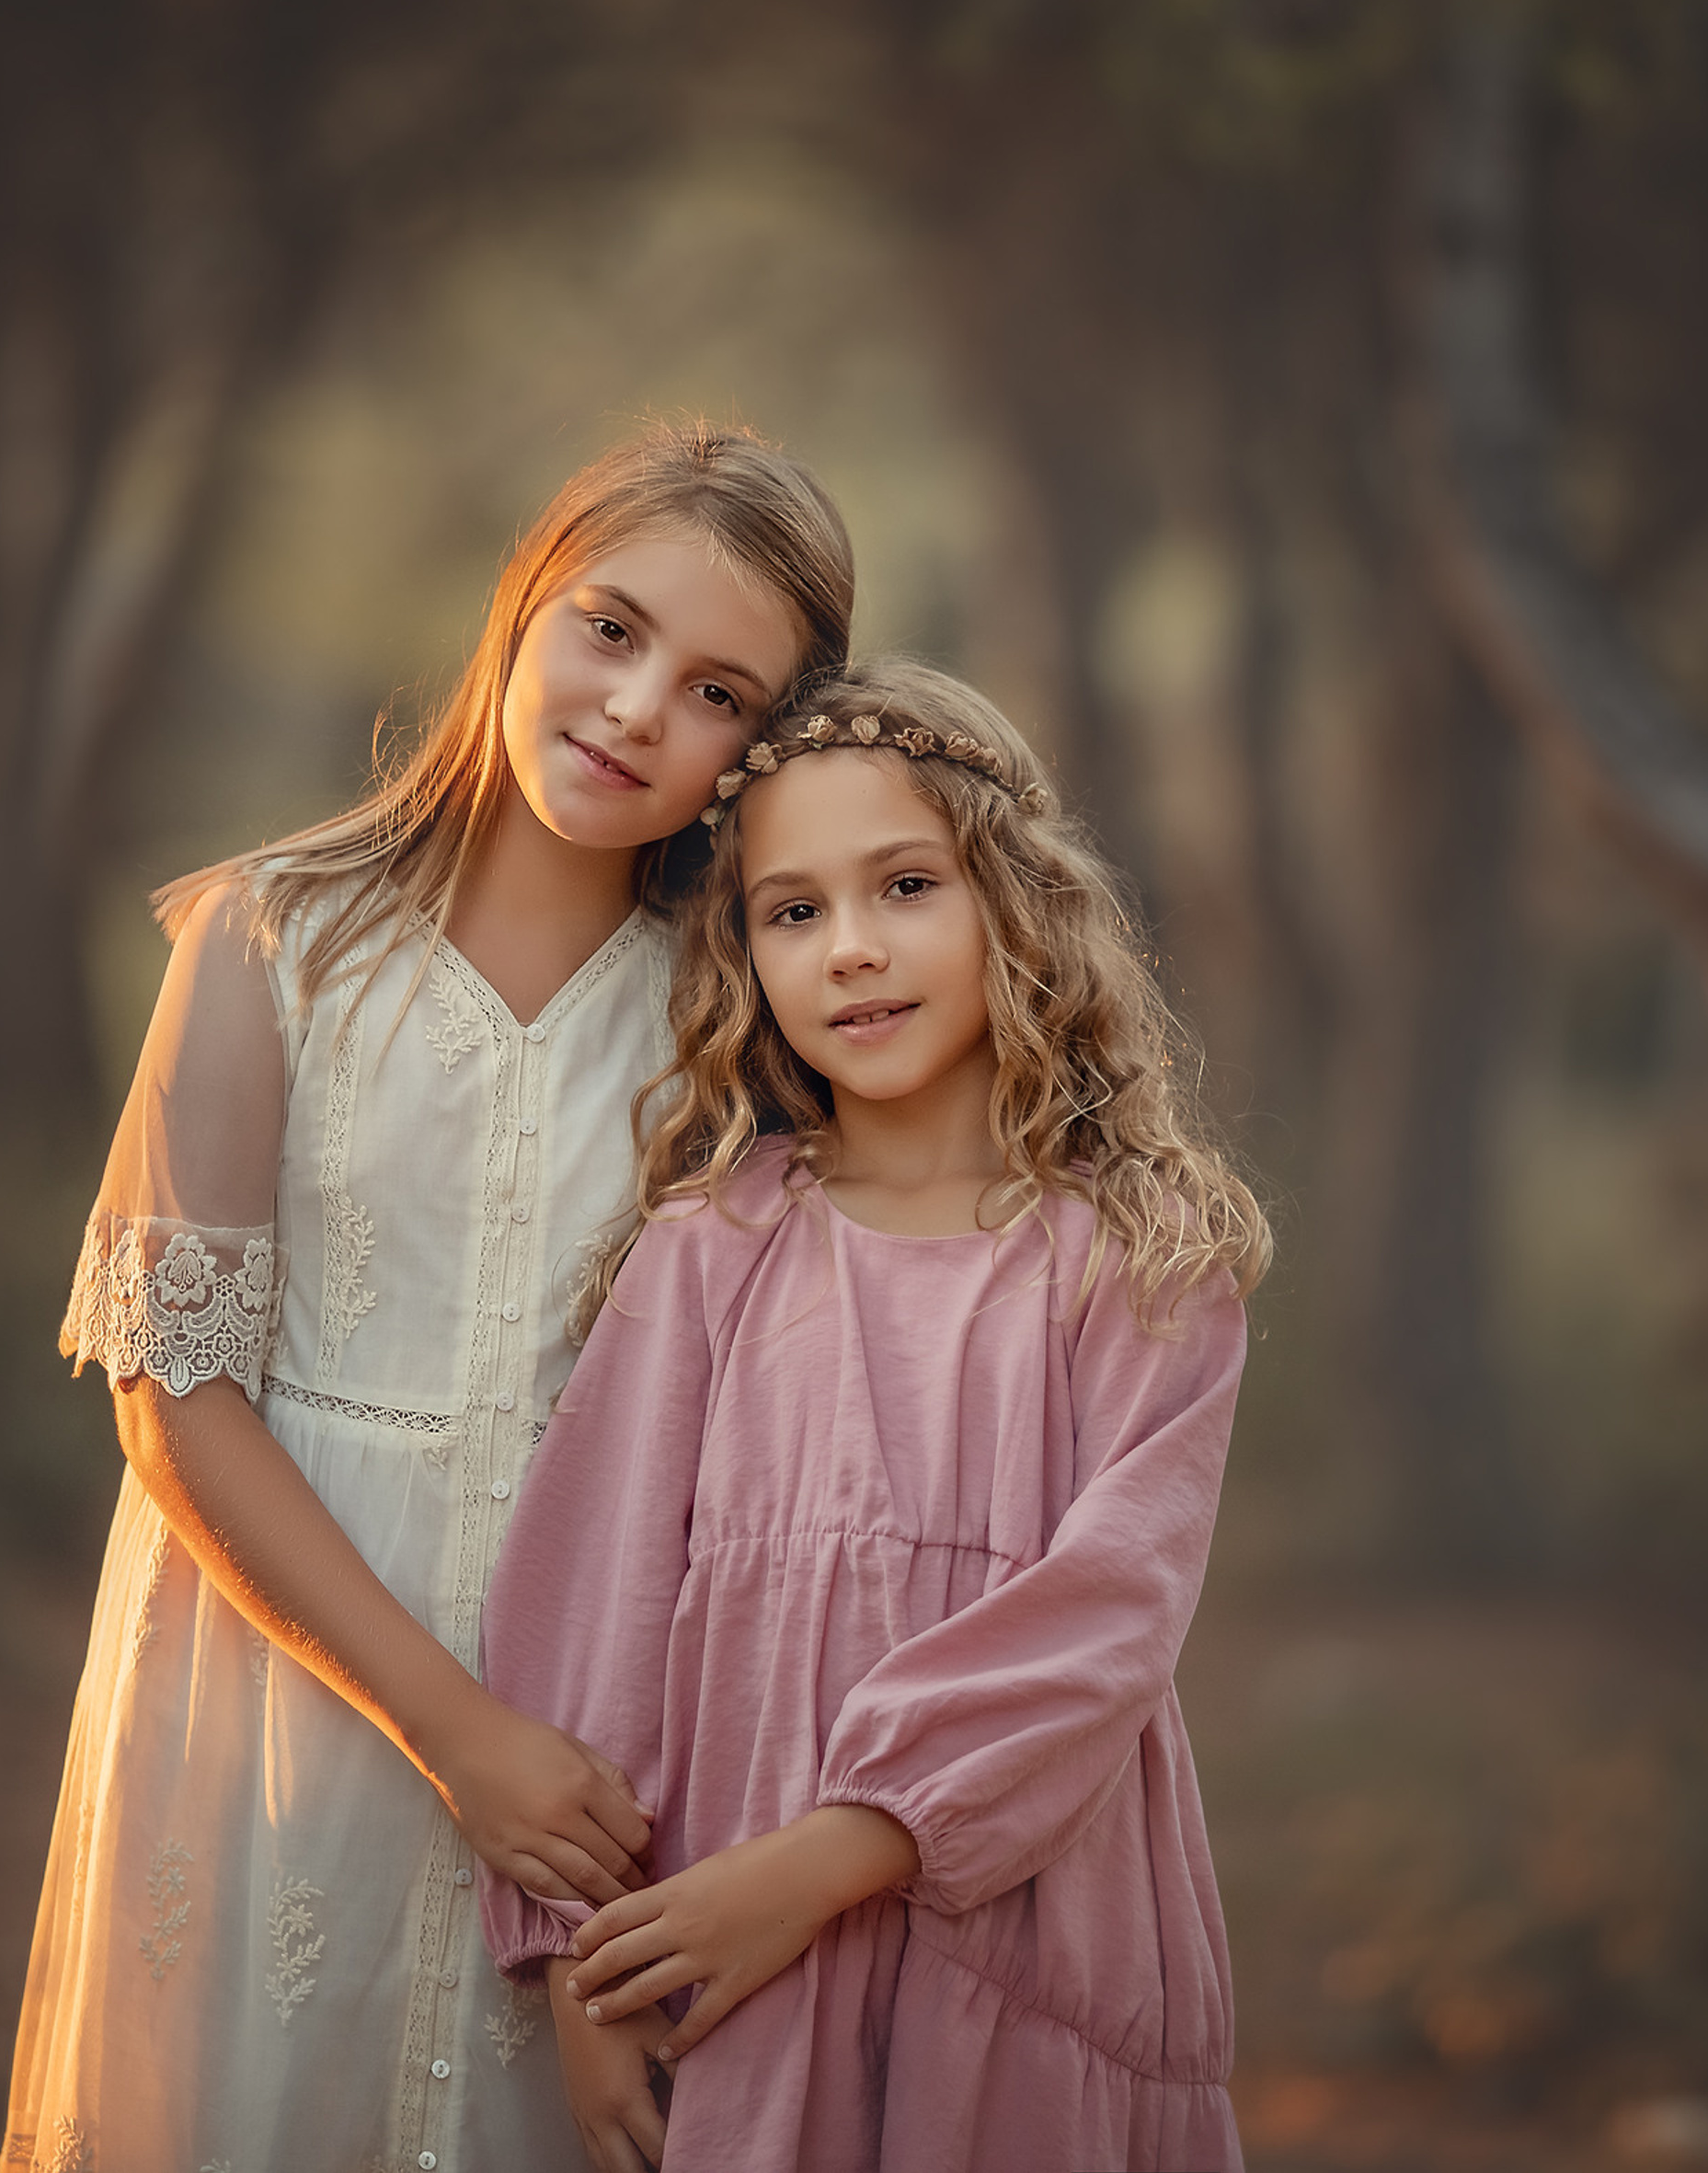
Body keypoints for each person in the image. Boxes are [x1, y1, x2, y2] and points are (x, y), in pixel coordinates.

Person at [1, 423, 854, 2173]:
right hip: (278, 1685)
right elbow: (176, 1400)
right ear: (523, 607)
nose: (631, 708)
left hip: (598, 1713)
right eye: (609, 630)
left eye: (711, 690)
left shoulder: (735, 1025)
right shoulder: (270, 940)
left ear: (754, 754)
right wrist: (451, 1732)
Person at [479, 661, 1269, 2173]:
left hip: (1030, 1943)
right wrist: (594, 1963)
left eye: (904, 885)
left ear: (1014, 905)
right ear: (744, 954)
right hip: (735, 1956)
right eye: (792, 911)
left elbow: (1111, 1617)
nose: (851, 950)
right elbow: (591, 1614)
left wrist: (831, 1860)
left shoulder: (1143, 1260)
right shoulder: (713, 1249)